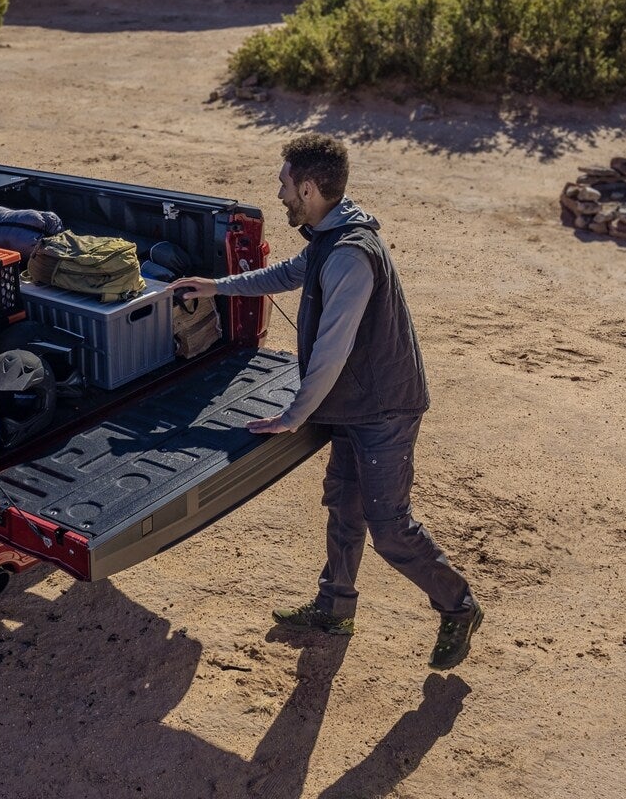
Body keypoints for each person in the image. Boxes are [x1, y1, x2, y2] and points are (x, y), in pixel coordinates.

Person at [171, 133, 482, 670]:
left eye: (285, 184)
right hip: (356, 405)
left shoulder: (351, 255)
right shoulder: (328, 235)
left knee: (389, 527)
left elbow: (331, 353)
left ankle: (458, 606)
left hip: (384, 409)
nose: (280, 193)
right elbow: (287, 274)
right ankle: (334, 609)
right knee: (344, 507)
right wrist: (218, 286)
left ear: (310, 188)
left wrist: (295, 415)